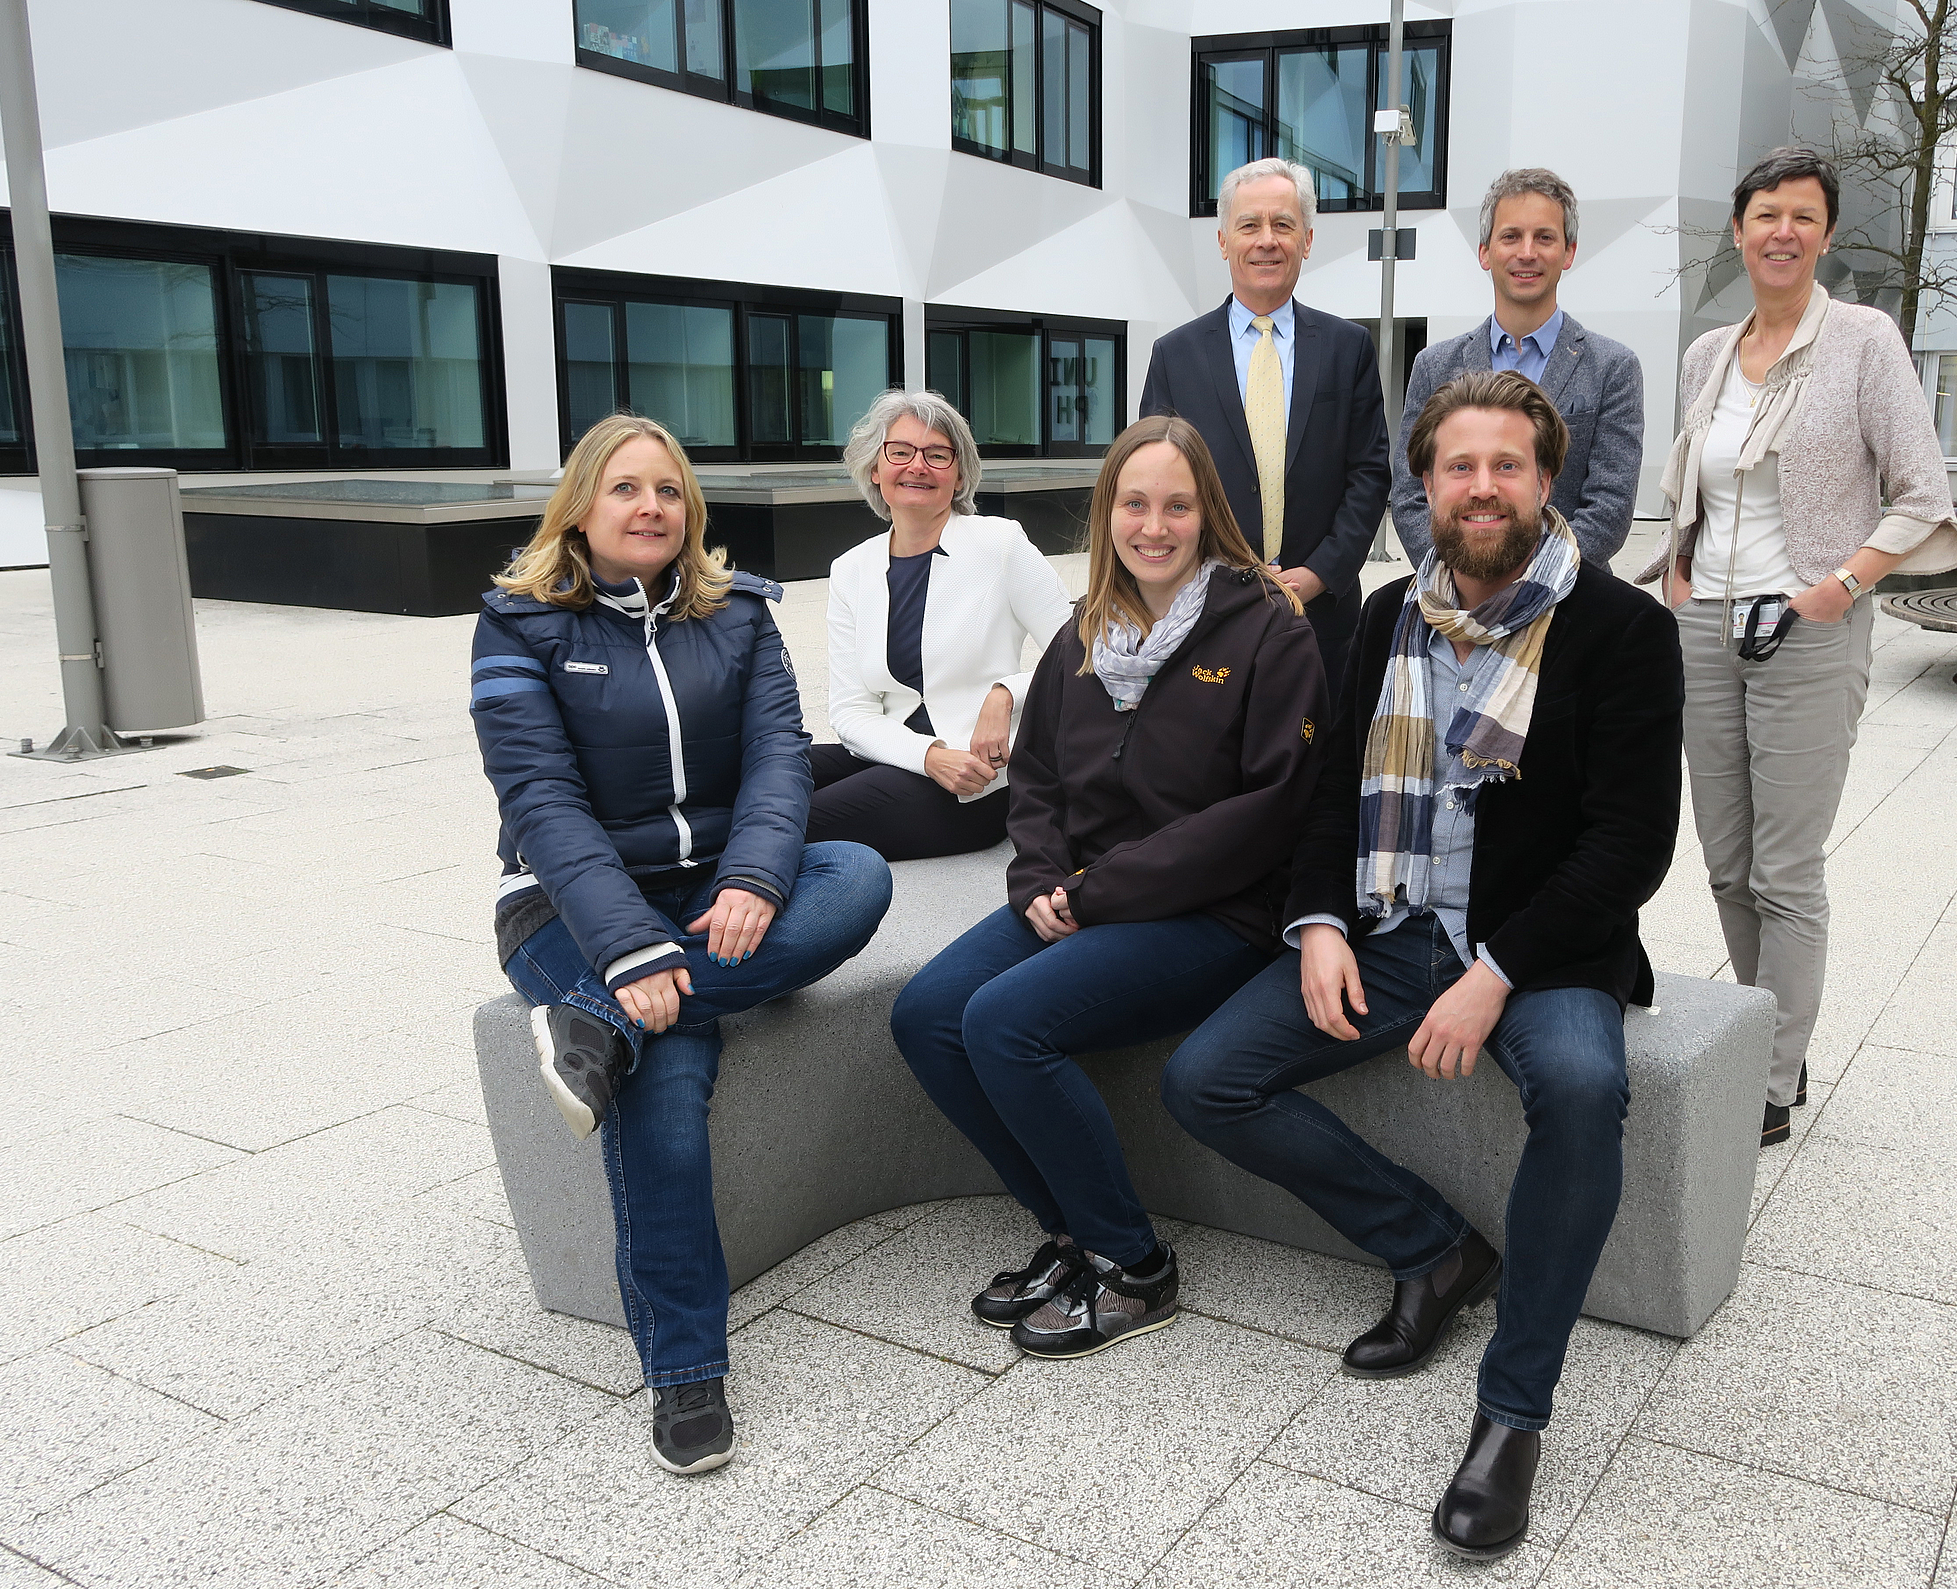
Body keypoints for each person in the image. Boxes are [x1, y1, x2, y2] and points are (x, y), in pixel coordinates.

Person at [1163, 371, 1683, 1561]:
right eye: (1460, 466)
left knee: (1582, 1088)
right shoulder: (1390, 616)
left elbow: (1629, 846)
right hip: (1392, 928)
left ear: (1545, 483)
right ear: (1428, 485)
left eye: (1507, 466)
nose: (1482, 487)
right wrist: (1320, 922)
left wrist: (1495, 972)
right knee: (1205, 1079)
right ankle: (1434, 1246)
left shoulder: (1621, 629)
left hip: (1539, 949)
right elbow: (1329, 788)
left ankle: (1513, 1414)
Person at [470, 414, 893, 1478]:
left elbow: (780, 763)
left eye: (668, 489)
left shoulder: (740, 615)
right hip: (566, 910)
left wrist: (753, 878)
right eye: (625, 487)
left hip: (710, 892)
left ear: (690, 510)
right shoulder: (517, 624)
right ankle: (686, 1369)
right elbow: (542, 803)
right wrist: (627, 951)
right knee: (664, 1089)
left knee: (856, 876)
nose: (650, 506)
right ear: (581, 506)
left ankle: (596, 1032)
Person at [889, 414, 1327, 1361]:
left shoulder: (1267, 631)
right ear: (1107, 514)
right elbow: (1039, 777)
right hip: (1080, 895)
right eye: (1134, 504)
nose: (1153, 527)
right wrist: (1041, 879)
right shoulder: (1083, 632)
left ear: (1209, 515)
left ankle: (1133, 1263)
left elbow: (1265, 812)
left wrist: (1093, 893)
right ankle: (1071, 1232)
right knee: (925, 1014)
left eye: (1177, 506)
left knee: (1005, 1022)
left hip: (1214, 913)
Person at [1633, 147, 1957, 1146]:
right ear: (1739, 231)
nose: (1783, 231)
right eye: (1767, 214)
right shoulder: (1707, 354)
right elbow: (1692, 484)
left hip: (1806, 630)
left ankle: (1771, 1080)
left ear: (1825, 234)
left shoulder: (1862, 341)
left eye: (1803, 216)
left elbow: (1922, 495)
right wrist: (1679, 571)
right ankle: (1768, 1034)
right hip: (1705, 625)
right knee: (1726, 863)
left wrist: (1838, 589)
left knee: (1785, 869)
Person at [1139, 156, 1391, 684]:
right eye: (1249, 225)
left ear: (1307, 239)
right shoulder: (1174, 356)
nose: (1267, 240)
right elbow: (1152, 483)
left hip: (1321, 621)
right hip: (1202, 614)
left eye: (1283, 224)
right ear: (1223, 240)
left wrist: (1319, 574)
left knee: (1321, 739)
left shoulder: (1349, 349)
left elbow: (1369, 474)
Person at [814, 390, 1075, 859]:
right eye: (900, 451)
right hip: (903, 751)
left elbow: (1083, 651)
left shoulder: (999, 544)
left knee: (793, 818)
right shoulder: (851, 568)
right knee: (764, 774)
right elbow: (852, 712)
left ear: (959, 476)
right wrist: (927, 755)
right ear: (875, 468)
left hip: (973, 781)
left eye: (937, 455)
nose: (917, 466)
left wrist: (1006, 693)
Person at [1391, 168, 1644, 574]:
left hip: (1571, 593)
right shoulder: (1434, 367)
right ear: (1484, 252)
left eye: (1544, 237)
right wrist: (1464, 577)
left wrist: (1534, 581)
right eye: (1511, 236)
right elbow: (1410, 495)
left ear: (1569, 252)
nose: (1527, 252)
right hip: (1455, 593)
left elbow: (1610, 505)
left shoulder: (1613, 368)